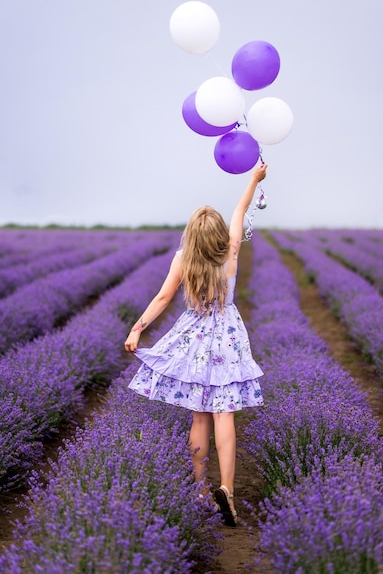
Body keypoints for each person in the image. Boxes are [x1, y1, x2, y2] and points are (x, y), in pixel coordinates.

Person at [124, 162, 267, 527]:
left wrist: (137, 330)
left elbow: (162, 298)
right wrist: (254, 179)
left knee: (198, 414)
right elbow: (240, 210)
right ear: (219, 236)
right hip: (228, 337)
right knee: (225, 413)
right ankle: (228, 491)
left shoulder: (183, 259)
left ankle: (201, 491)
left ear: (191, 236)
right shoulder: (231, 252)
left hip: (195, 337)